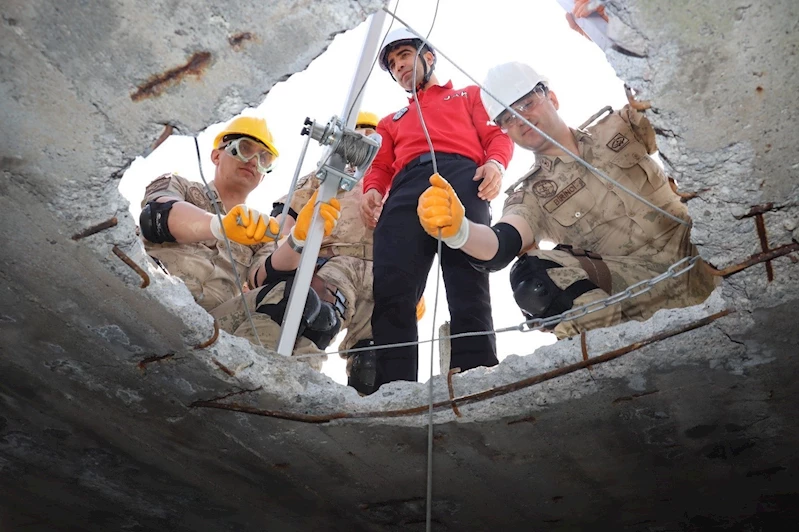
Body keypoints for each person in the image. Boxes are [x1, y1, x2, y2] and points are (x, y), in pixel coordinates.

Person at [417, 62, 717, 339]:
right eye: (508, 117)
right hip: (636, 287)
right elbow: (502, 243)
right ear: (504, 131)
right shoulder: (532, 194)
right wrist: (460, 231)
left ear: (552, 98)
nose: (522, 119)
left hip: (705, 246)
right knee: (532, 274)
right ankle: (607, 352)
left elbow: (674, 104)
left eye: (527, 103)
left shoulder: (618, 127)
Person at [360, 28, 514, 389]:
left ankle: (475, 372)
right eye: (393, 64)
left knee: (467, 276)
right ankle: (393, 385)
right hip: (405, 186)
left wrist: (495, 165)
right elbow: (380, 165)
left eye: (405, 57)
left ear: (428, 57)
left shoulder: (469, 95)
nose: (399, 67)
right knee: (393, 284)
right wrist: (372, 190)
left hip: (461, 175)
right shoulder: (391, 121)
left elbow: (497, 136)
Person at [140, 116, 337, 369]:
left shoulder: (261, 228)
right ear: (217, 156)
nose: (253, 162)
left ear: (265, 174)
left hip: (214, 326)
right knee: (296, 297)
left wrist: (300, 238)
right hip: (159, 303)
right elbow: (155, 218)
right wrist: (219, 226)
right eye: (245, 149)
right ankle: (246, 375)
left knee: (317, 314)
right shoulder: (181, 187)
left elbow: (265, 277)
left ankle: (267, 385)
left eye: (264, 158)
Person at [266, 111, 426, 394]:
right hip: (334, 262)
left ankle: (375, 423)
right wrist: (279, 255)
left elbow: (416, 237)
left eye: (373, 138)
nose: (366, 143)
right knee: (315, 320)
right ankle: (285, 390)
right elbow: (286, 217)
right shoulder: (326, 175)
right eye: (359, 136)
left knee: (374, 364)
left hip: (385, 274)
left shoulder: (401, 180)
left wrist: (416, 287)